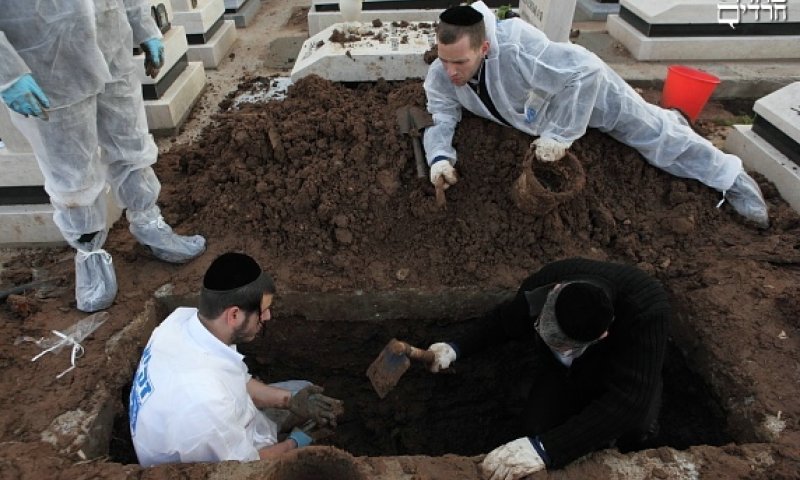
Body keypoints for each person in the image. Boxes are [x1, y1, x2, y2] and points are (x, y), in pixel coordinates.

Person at [423, 2, 769, 228]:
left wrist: (560, 135)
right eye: (444, 59)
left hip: (590, 96)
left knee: (650, 133)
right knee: (653, 124)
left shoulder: (518, 48)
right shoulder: (443, 73)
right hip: (536, 112)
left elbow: (585, 70)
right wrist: (439, 157)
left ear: (483, 48)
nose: (451, 71)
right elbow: (441, 114)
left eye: (460, 62)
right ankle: (671, 119)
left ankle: (728, 176)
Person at [0, 1, 206, 313]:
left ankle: (149, 221)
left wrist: (145, 28)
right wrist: (8, 74)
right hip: (46, 64)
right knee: (72, 173)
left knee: (132, 145)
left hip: (112, 47)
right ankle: (90, 256)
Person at [426, 257, 670, 479]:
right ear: (554, 292)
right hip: (561, 371)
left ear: (604, 333)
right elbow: (505, 322)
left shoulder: (647, 311)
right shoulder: (547, 282)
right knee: (534, 427)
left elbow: (629, 402)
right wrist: (455, 347)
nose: (560, 349)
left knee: (638, 428)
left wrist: (548, 448)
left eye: (566, 346)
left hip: (623, 371)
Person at [129, 252, 344, 466]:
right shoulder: (206, 403)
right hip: (218, 459)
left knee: (302, 390)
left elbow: (237, 379)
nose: (268, 317)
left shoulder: (183, 322)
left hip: (215, 426)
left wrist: (291, 400)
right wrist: (295, 443)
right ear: (234, 315)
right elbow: (243, 467)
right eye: (263, 311)